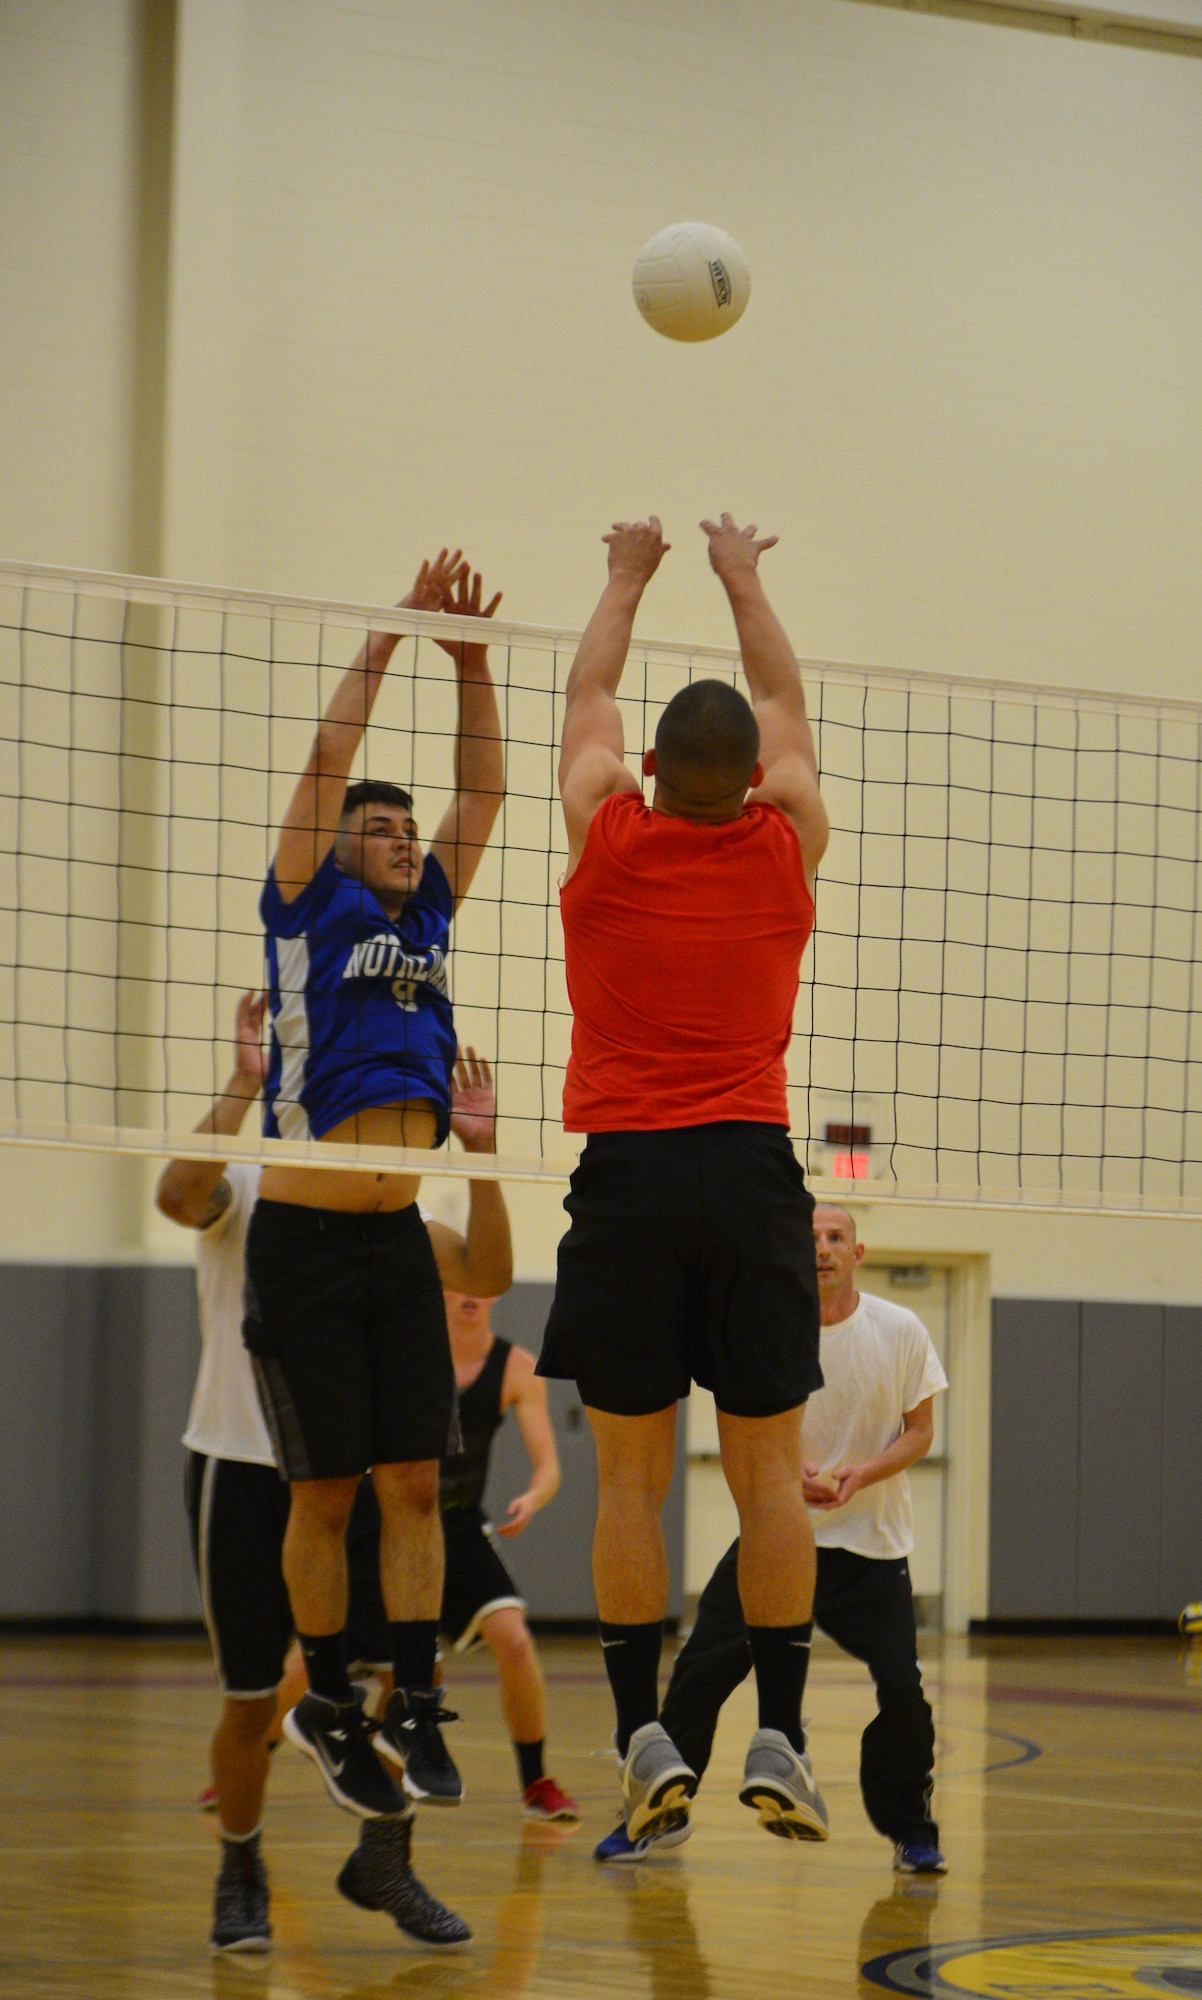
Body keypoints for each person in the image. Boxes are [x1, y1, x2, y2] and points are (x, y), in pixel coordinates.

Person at [538, 512, 831, 1846]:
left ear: (649, 770)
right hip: (750, 1172)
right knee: (767, 1477)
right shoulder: (783, 843)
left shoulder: (607, 834)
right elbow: (781, 702)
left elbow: (587, 693)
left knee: (628, 1482)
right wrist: (740, 574)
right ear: (754, 779)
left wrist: (625, 575)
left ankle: (636, 1735)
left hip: (629, 1181)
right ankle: (781, 1735)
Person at [157, 995, 512, 1951]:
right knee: (248, 1703)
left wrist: (482, 1156)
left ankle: (384, 1860)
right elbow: (177, 1199)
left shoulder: (384, 1201)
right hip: (243, 1467)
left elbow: (484, 1272)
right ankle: (240, 1867)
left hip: (359, 1481)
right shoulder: (247, 1178)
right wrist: (242, 1084)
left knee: (399, 1681)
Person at [243, 544, 503, 1835]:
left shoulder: (431, 912)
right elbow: (325, 757)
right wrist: (391, 635)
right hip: (300, 1235)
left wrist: (473, 666)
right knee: (326, 1492)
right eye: (381, 828)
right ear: (340, 849)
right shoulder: (308, 904)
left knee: (414, 1484)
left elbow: (484, 787)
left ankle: (413, 1698)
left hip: (397, 1235)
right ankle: (331, 1704)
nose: (404, 839)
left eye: (408, 829)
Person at [596, 1203, 949, 1873]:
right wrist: (788, 1476)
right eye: (810, 1237)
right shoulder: (764, 1325)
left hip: (870, 1545)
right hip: (776, 1538)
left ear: (857, 1253)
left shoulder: (899, 1328)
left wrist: (863, 1473)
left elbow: (921, 1430)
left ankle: (913, 1831)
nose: (822, 1248)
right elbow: (744, 1429)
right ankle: (657, 1815)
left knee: (903, 1689)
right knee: (699, 1673)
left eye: (835, 1238)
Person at [345, 1286, 580, 1822]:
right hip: (393, 1530)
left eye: (481, 1284)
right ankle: (248, 1757)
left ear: (496, 1292)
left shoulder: (517, 1367)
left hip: (459, 1526)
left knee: (514, 1640)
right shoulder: (403, 1354)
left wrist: (533, 1497)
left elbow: (549, 1466)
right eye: (457, 1282)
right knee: (317, 1670)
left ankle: (536, 1781)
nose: (470, 1295)